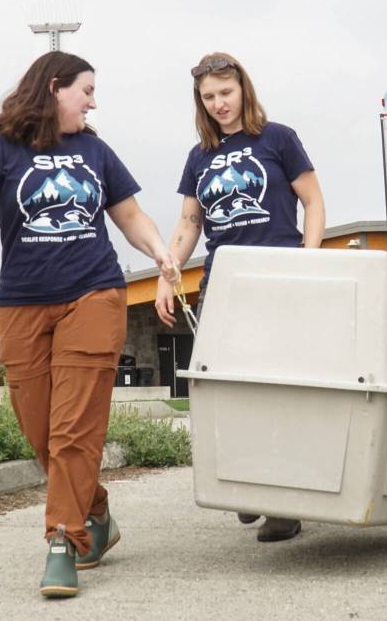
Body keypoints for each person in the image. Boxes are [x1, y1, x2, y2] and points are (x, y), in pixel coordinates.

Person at [0, 51, 178, 598]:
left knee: (73, 426)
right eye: (87, 90)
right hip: (23, 301)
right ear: (55, 88)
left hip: (94, 294)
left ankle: (62, 542)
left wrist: (160, 249)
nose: (94, 101)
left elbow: (130, 216)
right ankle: (95, 511)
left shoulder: (95, 150)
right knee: (39, 429)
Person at [154, 52, 326, 543]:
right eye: (209, 98)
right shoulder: (199, 156)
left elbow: (313, 202)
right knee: (226, 387)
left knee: (279, 387)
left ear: (243, 90)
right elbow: (190, 223)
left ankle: (282, 503)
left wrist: (308, 261)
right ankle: (248, 484)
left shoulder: (278, 138)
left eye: (225, 93)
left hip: (280, 271)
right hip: (223, 280)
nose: (218, 104)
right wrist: (168, 273)